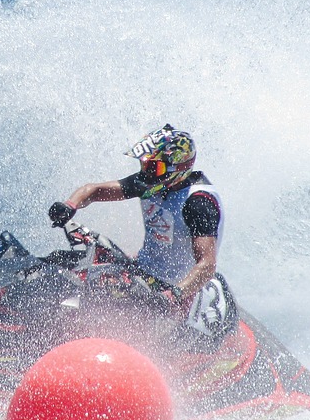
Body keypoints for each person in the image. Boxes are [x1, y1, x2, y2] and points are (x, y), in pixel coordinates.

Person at [48, 124, 223, 311]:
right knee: (61, 261)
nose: (146, 173)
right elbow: (94, 191)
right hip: (141, 271)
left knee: (95, 298)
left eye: (153, 167)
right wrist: (69, 206)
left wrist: (172, 295)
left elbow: (207, 265)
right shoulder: (151, 182)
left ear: (178, 167)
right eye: (144, 165)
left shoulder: (198, 203)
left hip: (174, 294)